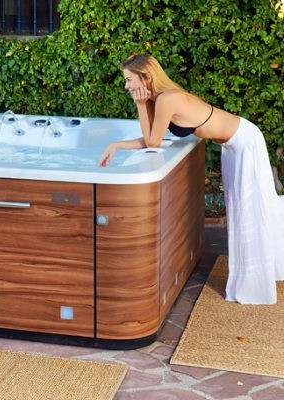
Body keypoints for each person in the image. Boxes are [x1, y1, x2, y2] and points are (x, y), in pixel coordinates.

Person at [98, 53, 284, 305]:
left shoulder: (167, 99)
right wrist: (116, 145)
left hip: (245, 142)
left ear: (146, 77)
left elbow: (152, 142)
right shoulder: (159, 99)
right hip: (233, 145)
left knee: (251, 209)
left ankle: (254, 285)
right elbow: (151, 138)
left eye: (130, 80)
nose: (126, 86)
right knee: (241, 210)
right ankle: (250, 278)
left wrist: (140, 105)